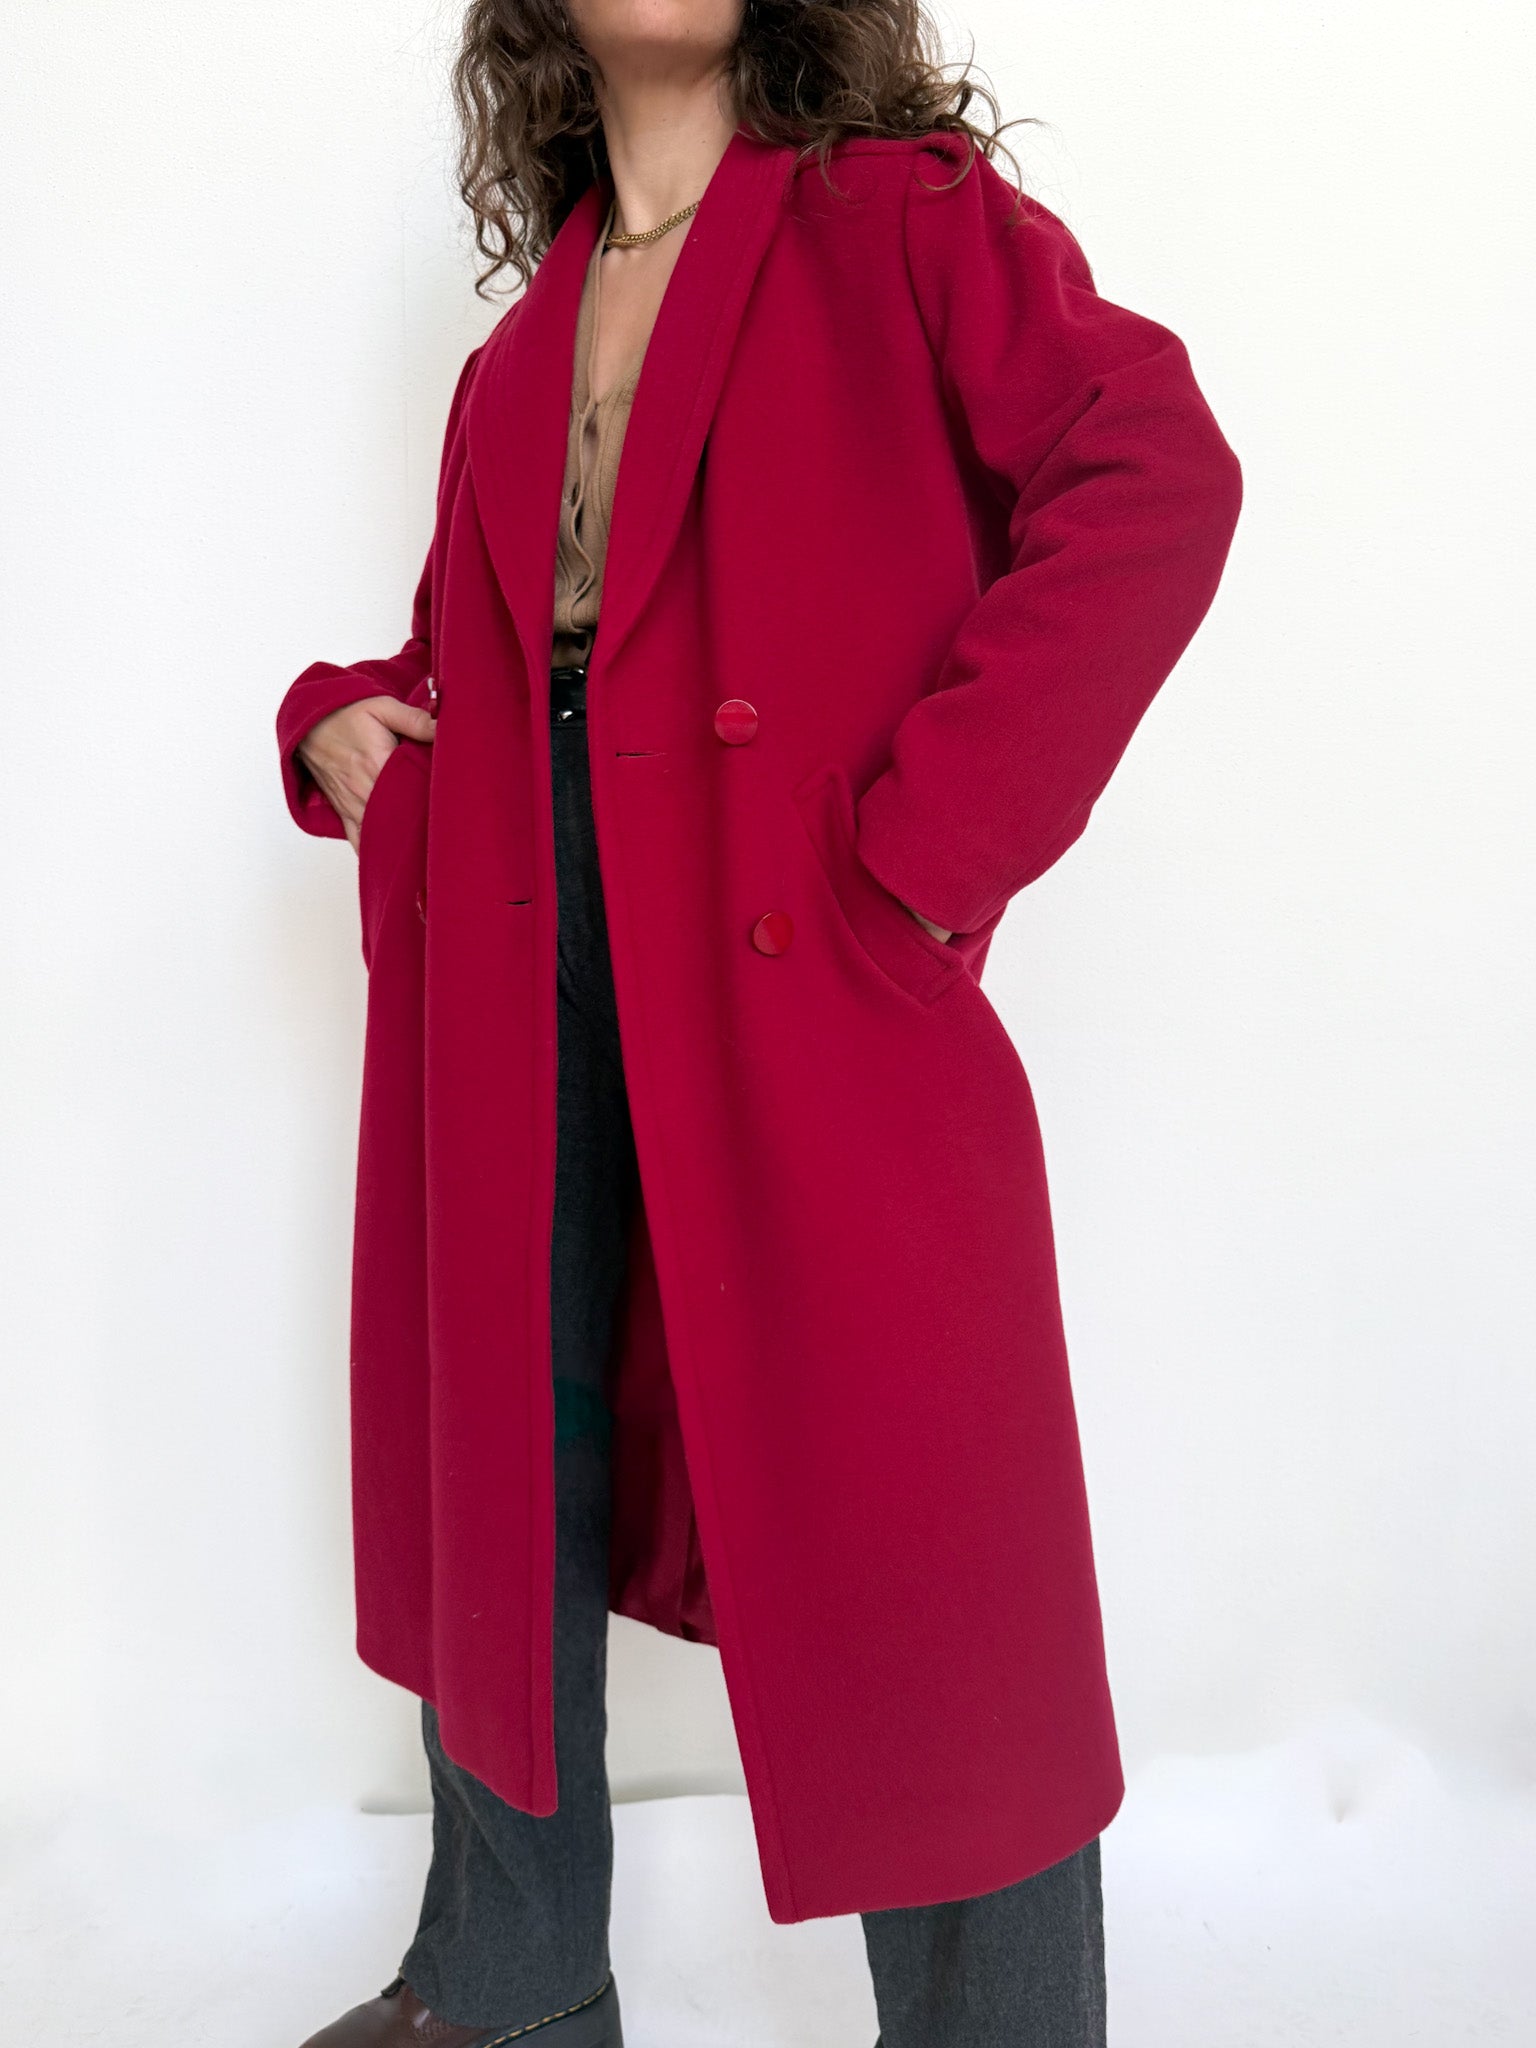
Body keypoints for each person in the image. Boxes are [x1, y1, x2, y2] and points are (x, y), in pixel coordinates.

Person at [276, 2, 1242, 2042]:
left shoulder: (902, 221)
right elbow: (491, 658)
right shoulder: (520, 347)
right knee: (499, 1466)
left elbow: (1154, 467)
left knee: (924, 1532)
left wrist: (925, 848)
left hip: (794, 950)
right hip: (515, 944)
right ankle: (509, 1987)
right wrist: (343, 718)